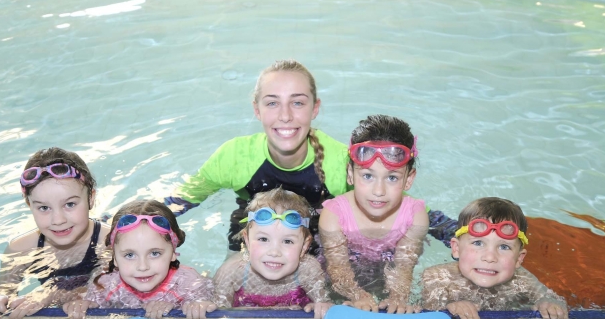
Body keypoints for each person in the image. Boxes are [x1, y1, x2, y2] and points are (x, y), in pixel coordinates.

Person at [164, 59, 457, 252]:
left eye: (298, 103)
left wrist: (459, 234)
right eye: (272, 103)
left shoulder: (340, 162)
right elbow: (182, 200)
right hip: (253, 235)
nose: (286, 116)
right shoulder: (234, 156)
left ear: (315, 108)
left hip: (315, 241)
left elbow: (397, 202)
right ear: (257, 110)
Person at [0, 147, 109, 319]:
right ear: (29, 205)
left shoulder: (109, 241)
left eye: (70, 204)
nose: (58, 220)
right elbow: (1, 290)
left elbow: (108, 290)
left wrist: (49, 295)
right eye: (44, 208)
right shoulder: (20, 249)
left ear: (91, 198)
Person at [319, 115, 429, 313]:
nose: (379, 190)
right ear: (351, 174)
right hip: (345, 279)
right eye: (368, 176)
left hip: (387, 274)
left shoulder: (415, 215)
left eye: (392, 178)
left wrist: (398, 297)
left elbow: (404, 267)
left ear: (409, 179)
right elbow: (337, 268)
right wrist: (357, 295)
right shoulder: (334, 214)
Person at [420, 197, 568, 319]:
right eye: (478, 243)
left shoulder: (522, 279)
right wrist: (450, 308)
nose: (490, 257)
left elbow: (550, 297)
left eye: (504, 247)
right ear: (456, 249)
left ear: (519, 258)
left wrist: (549, 303)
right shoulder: (437, 277)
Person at [63, 200, 215, 319]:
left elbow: (205, 307)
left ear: (173, 253)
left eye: (155, 253)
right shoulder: (105, 285)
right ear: (115, 257)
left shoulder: (190, 283)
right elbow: (94, 312)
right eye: (129, 255)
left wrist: (184, 309)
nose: (142, 266)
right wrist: (85, 306)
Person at [211, 188, 332, 319]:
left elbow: (324, 303)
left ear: (304, 246)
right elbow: (219, 316)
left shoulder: (308, 269)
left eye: (287, 241)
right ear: (247, 240)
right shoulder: (232, 271)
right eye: (263, 239)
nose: (274, 252)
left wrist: (323, 306)